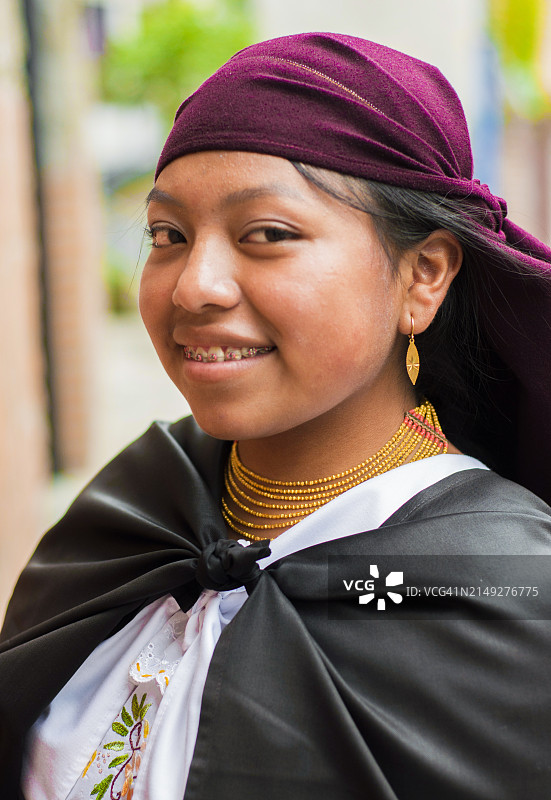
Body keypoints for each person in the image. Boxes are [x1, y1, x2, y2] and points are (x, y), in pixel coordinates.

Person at [2, 31, 551, 800]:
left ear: (422, 276)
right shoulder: (140, 502)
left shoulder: (504, 587)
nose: (195, 286)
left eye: (267, 234)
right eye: (168, 235)